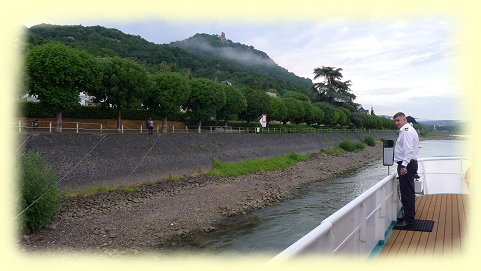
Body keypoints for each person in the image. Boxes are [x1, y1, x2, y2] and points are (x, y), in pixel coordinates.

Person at [393, 112, 419, 227]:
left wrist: (403, 166)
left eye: (398, 120)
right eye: (395, 121)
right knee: (407, 191)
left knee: (407, 192)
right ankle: (408, 215)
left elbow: (408, 150)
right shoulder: (408, 129)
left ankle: (409, 219)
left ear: (404, 120)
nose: (396, 123)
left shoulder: (406, 131)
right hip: (408, 163)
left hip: (406, 165)